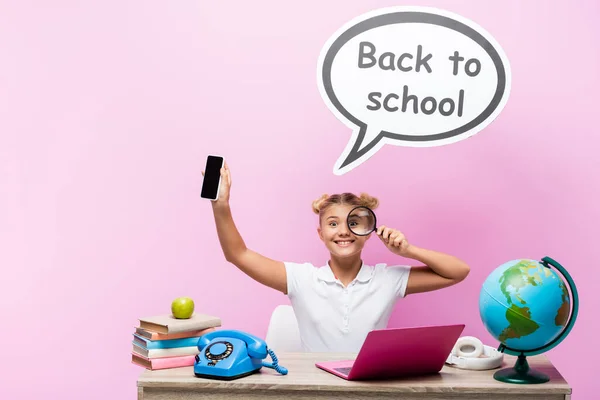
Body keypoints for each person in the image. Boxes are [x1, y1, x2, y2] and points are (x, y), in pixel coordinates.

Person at [205, 162, 470, 352]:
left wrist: (407, 251)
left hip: (368, 390)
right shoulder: (301, 279)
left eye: (353, 223)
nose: (343, 231)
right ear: (320, 234)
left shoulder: (387, 279)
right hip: (315, 389)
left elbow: (458, 271)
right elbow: (237, 254)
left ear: (368, 233)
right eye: (333, 224)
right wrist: (221, 206)